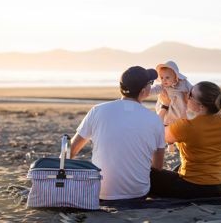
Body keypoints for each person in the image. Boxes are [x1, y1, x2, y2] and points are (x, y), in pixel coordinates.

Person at [70, 66, 166, 200]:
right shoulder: (155, 120)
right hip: (137, 194)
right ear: (144, 91)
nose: (152, 86)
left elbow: (71, 150)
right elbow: (158, 167)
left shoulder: (98, 110)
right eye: (151, 83)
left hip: (99, 193)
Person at [149, 81, 221, 199]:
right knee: (178, 167)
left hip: (199, 187)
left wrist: (165, 105)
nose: (186, 96)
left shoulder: (187, 126)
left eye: (190, 95)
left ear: (201, 106)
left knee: (149, 174)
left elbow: (158, 133)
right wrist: (186, 105)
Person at [150, 60, 192, 126]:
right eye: (162, 78)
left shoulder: (183, 83)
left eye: (167, 77)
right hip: (166, 113)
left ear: (176, 77)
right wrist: (147, 91)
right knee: (165, 122)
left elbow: (193, 90)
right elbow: (154, 89)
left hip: (180, 113)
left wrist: (189, 96)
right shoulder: (162, 87)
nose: (164, 80)